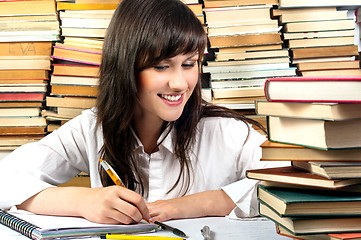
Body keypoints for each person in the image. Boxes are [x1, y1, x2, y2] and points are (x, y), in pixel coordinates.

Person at [0, 0, 276, 225]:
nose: (180, 83)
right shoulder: (92, 129)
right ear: (126, 68)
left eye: (189, 64)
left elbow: (292, 186)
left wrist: (181, 207)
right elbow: (5, 179)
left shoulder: (228, 132)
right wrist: (84, 201)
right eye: (161, 67)